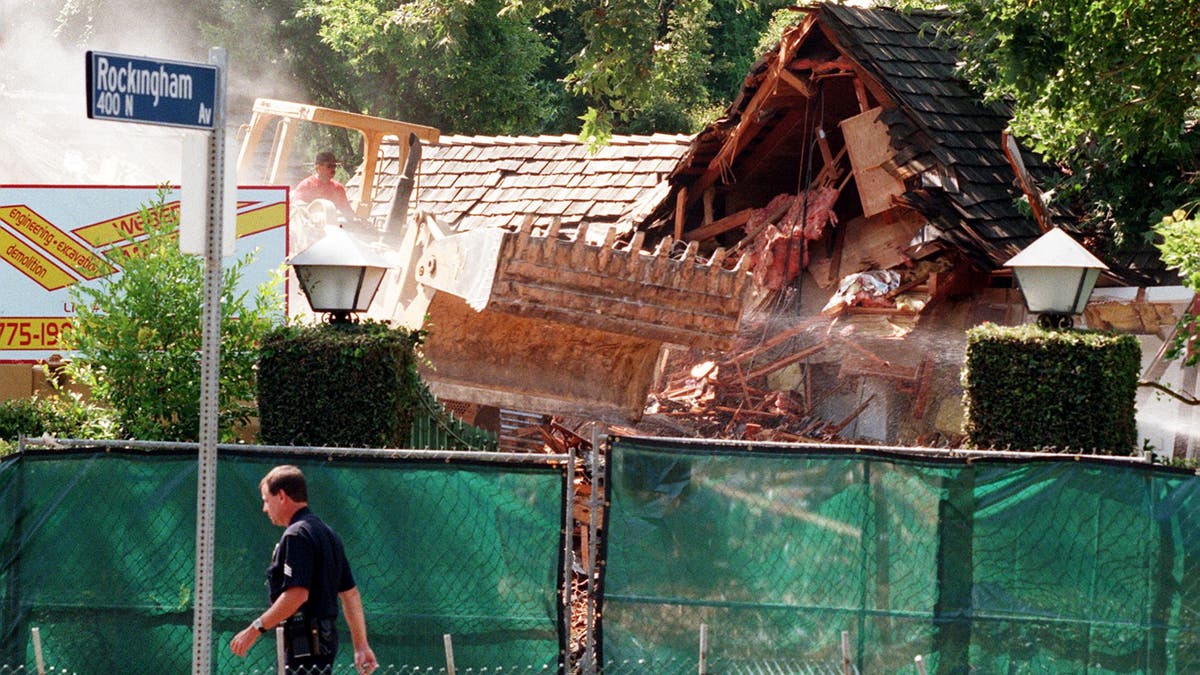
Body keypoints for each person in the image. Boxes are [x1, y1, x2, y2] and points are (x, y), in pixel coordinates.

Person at [230, 465, 379, 675]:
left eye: (266, 500)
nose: (264, 508)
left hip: (304, 643)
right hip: (324, 644)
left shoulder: (296, 535)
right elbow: (350, 594)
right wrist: (361, 646)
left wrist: (255, 629)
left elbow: (297, 595)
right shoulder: (328, 533)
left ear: (281, 496)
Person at [293, 151, 357, 218]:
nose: (333, 169)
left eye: (334, 166)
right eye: (329, 166)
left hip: (335, 225)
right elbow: (298, 208)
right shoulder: (306, 186)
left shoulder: (338, 188)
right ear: (318, 168)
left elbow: (347, 211)